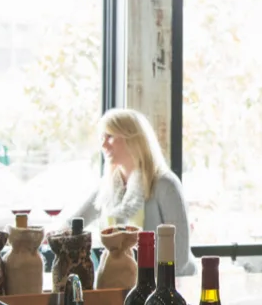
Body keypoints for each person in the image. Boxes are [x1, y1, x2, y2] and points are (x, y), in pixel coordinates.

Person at [63, 108, 197, 276]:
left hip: (173, 286)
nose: (103, 145)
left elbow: (180, 257)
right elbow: (73, 223)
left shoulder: (165, 184)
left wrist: (144, 283)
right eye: (102, 138)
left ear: (132, 139)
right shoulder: (108, 186)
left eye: (110, 137)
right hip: (130, 285)